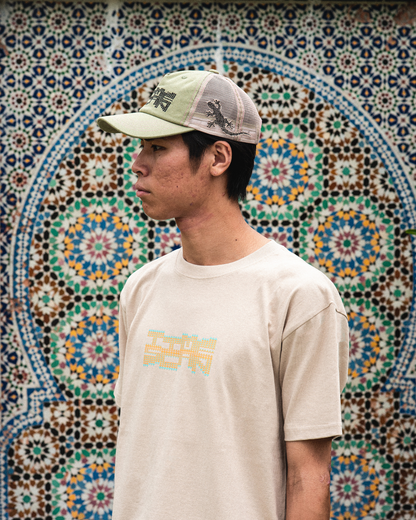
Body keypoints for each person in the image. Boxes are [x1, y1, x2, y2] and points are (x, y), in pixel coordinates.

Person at [97, 69, 349, 520]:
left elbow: (308, 476)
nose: (137, 163)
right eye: (141, 147)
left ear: (218, 157)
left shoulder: (300, 297)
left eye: (157, 147)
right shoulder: (141, 288)